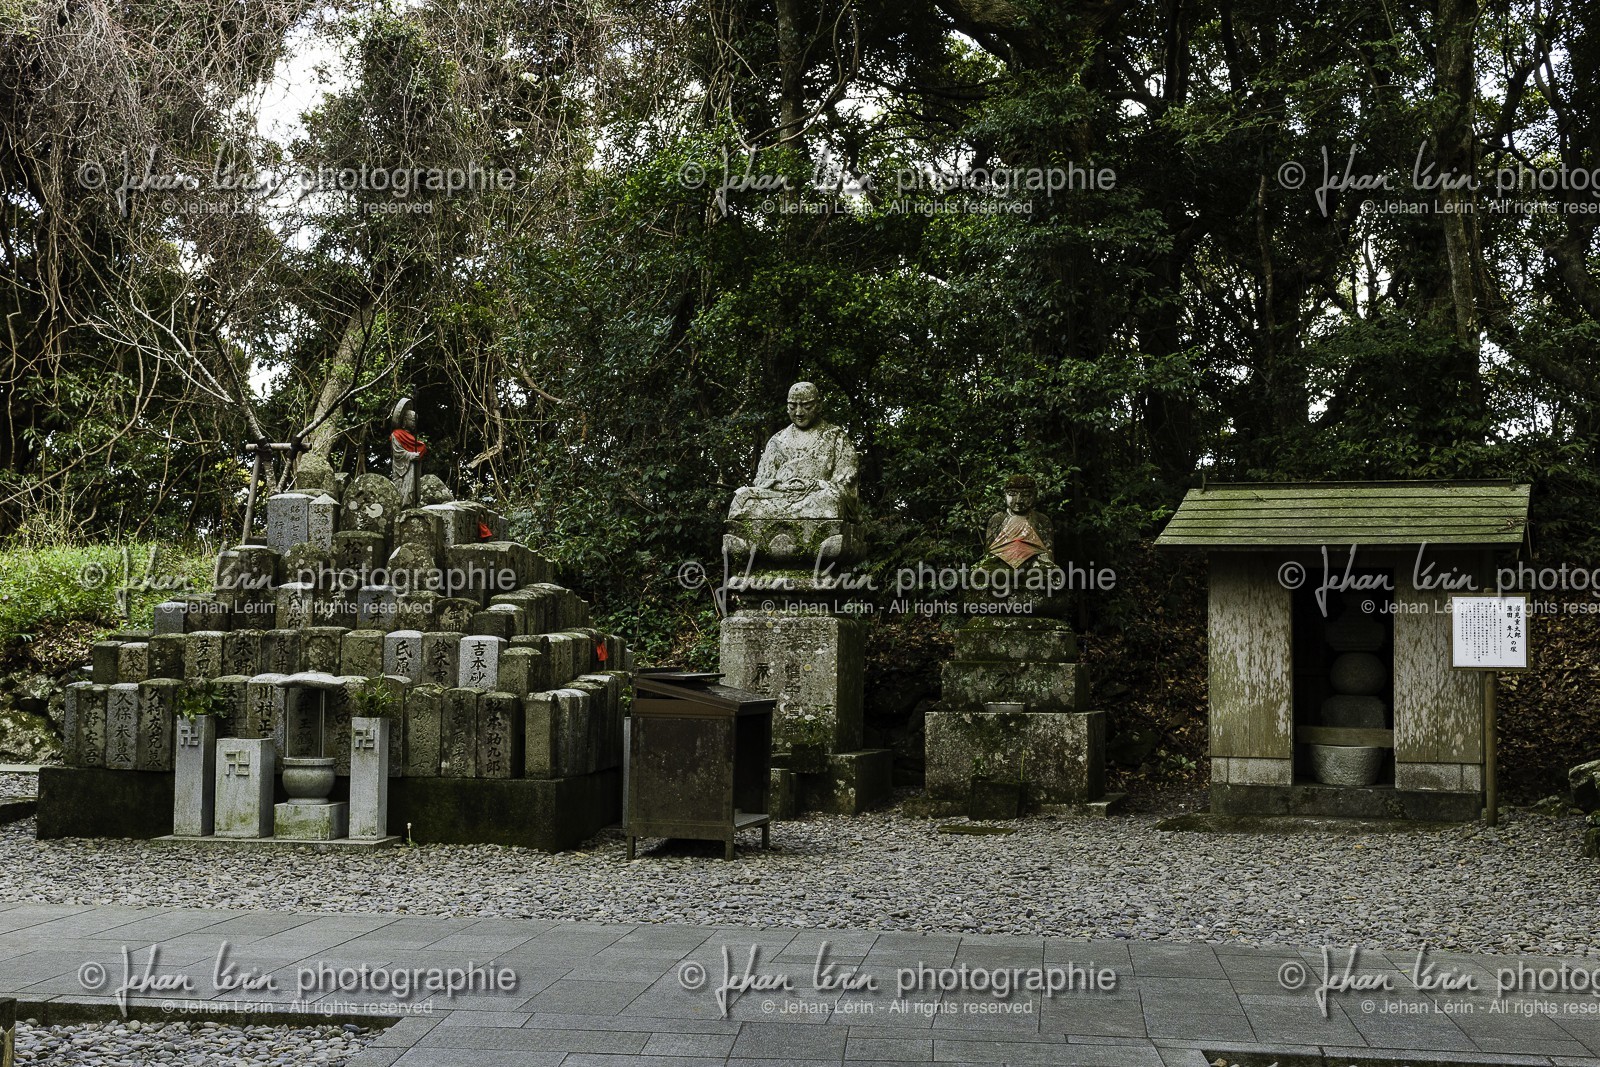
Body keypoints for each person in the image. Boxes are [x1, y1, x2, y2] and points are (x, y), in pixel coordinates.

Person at [728, 381, 861, 521]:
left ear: (819, 406)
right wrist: (781, 486)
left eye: (807, 406)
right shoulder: (778, 440)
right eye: (792, 407)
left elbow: (845, 484)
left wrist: (814, 485)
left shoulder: (835, 437)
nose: (799, 413)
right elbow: (762, 480)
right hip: (779, 497)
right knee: (742, 498)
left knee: (832, 500)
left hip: (815, 497)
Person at [985, 474, 1055, 569]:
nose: (1018, 500)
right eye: (1012, 494)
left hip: (1033, 569)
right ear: (1005, 494)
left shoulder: (1042, 520)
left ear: (1034, 495)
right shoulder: (997, 519)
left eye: (1026, 495)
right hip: (1002, 569)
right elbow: (990, 553)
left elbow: (1048, 553)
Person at [389, 398, 426, 507]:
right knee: (402, 495)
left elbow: (421, 448)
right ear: (405, 420)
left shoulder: (412, 438)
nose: (415, 423)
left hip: (413, 470)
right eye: (413, 420)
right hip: (402, 470)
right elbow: (398, 454)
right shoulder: (396, 434)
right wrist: (410, 455)